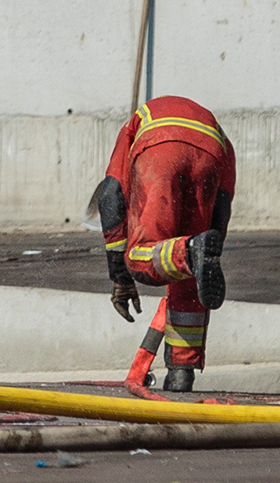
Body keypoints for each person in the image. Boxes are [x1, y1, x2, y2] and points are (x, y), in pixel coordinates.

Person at [92, 92, 236, 391]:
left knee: (140, 258)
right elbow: (222, 204)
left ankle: (190, 251)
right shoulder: (215, 131)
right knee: (188, 273)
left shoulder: (133, 128)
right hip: (213, 150)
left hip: (161, 149)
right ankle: (181, 373)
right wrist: (211, 249)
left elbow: (109, 199)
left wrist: (122, 278)